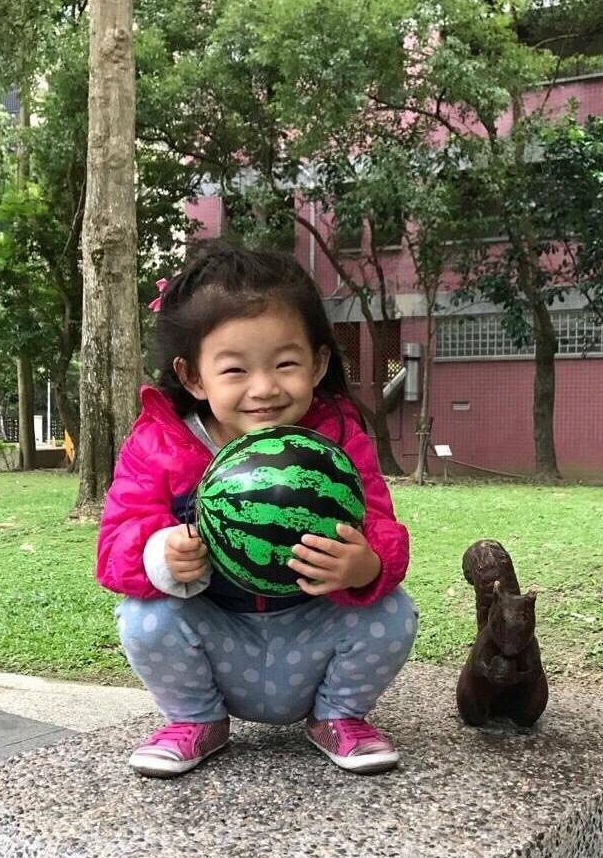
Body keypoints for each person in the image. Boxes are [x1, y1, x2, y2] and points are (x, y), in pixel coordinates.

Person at [97, 240, 418, 779]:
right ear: (194, 376)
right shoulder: (160, 443)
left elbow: (383, 527)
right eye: (235, 371)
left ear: (317, 363)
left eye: (285, 363)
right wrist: (160, 554)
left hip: (312, 632)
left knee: (393, 613)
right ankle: (196, 720)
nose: (264, 388)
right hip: (219, 641)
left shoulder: (339, 437)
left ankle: (339, 715)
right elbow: (113, 548)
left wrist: (367, 565)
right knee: (143, 618)